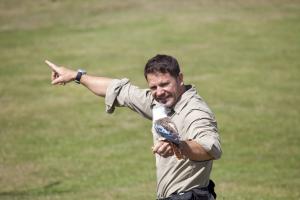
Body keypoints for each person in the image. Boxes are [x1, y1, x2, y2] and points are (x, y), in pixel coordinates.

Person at [45, 54, 222, 200]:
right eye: (153, 87)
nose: (159, 92)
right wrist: (76, 76)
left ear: (180, 79)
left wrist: (178, 145)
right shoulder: (159, 104)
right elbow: (117, 89)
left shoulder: (196, 112)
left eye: (165, 84)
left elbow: (210, 148)